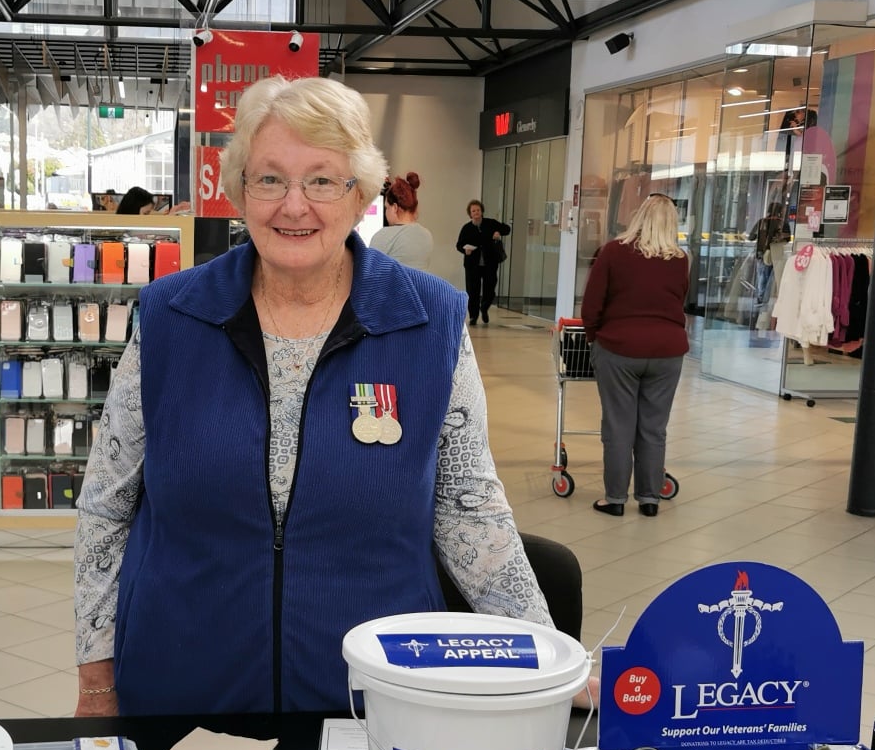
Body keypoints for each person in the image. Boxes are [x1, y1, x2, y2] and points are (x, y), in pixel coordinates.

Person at [73, 75, 551, 716]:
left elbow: (471, 512)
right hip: (182, 685)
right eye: (269, 179)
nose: (294, 205)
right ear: (239, 191)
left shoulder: (427, 322)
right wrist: (97, 680)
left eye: (323, 180)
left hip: (372, 696)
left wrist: (549, 656)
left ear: (363, 196)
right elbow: (106, 506)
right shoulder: (170, 316)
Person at [578, 193, 690, 518]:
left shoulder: (613, 252)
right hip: (668, 352)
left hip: (619, 348)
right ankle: (649, 499)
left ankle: (615, 499)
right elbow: (678, 300)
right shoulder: (680, 259)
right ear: (672, 223)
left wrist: (593, 338)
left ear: (639, 216)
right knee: (654, 428)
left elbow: (592, 303)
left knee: (618, 426)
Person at [371, 173, 447, 283]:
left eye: (386, 208)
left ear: (395, 208)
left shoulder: (382, 236)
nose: (385, 212)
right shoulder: (426, 235)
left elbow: (370, 276)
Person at [456, 200, 510, 326]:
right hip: (472, 265)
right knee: (472, 291)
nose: (476, 213)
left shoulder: (490, 223)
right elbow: (459, 245)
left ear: (482, 211)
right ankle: (473, 316)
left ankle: (484, 308)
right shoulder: (467, 228)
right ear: (470, 214)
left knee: (490, 289)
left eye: (478, 210)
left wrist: (498, 233)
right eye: (473, 211)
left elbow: (507, 229)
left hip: (489, 264)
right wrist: (465, 250)